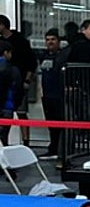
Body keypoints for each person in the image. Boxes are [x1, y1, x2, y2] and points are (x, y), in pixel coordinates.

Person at [0, 15, 35, 146]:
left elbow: (31, 62)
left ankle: (26, 142)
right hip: (7, 81)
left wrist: (27, 80)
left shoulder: (20, 41)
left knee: (21, 112)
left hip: (18, 80)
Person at [37, 29, 65, 159]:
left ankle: (61, 150)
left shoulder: (62, 56)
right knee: (51, 123)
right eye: (47, 40)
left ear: (58, 41)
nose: (50, 42)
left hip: (59, 95)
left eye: (53, 39)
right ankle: (53, 148)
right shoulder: (43, 55)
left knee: (61, 124)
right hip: (47, 95)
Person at [0, 41, 21, 146]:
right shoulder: (13, 70)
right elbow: (18, 88)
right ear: (6, 53)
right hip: (7, 107)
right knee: (4, 138)